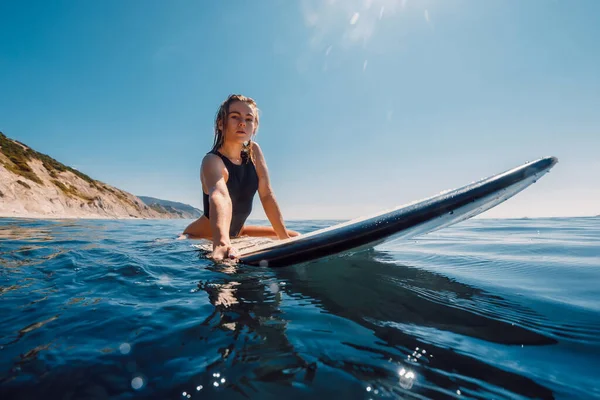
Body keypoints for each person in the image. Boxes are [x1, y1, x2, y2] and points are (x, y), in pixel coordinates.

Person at [181, 94, 299, 260]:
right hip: (199, 236)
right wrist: (222, 242)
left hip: (239, 232)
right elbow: (220, 196)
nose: (243, 122)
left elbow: (266, 195)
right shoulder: (212, 160)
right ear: (221, 124)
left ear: (254, 127)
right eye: (235, 117)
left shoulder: (254, 152)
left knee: (295, 237)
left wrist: (284, 239)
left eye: (249, 119)